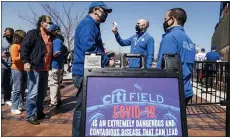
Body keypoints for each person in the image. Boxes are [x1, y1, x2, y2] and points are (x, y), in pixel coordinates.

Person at [72, 2, 114, 136]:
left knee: (85, 108)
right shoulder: (88, 24)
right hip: (84, 72)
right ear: (95, 10)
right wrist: (107, 61)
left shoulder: (92, 25)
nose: (105, 14)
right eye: (104, 11)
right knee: (82, 109)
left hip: (87, 71)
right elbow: (88, 48)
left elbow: (91, 46)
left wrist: (103, 51)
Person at [156, 8, 196, 106]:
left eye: (165, 19)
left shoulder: (170, 37)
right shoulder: (189, 40)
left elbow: (167, 68)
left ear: (172, 19)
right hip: (186, 89)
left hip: (172, 91)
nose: (164, 22)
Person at [20, 15, 53, 125]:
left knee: (42, 92)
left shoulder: (49, 35)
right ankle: (31, 115)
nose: (50, 25)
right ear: (42, 23)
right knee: (33, 92)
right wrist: (26, 61)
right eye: (48, 22)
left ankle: (39, 111)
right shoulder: (33, 33)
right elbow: (24, 47)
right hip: (35, 66)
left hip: (45, 68)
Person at [10, 30, 27, 115]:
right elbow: (14, 59)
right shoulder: (14, 46)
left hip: (23, 69)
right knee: (17, 89)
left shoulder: (22, 45)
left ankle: (20, 105)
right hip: (16, 69)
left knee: (23, 88)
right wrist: (23, 56)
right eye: (23, 36)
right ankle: (14, 107)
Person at [49, 24, 64, 107]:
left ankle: (53, 101)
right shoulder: (60, 40)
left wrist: (49, 55)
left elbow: (57, 52)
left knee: (53, 84)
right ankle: (58, 100)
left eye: (51, 31)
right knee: (57, 83)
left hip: (55, 65)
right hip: (59, 65)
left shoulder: (57, 40)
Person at [1, 28, 14, 106]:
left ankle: (7, 98)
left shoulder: (14, 41)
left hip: (12, 65)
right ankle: (2, 98)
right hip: (3, 65)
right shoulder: (1, 41)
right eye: (7, 35)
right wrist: (2, 55)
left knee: (10, 83)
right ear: (5, 34)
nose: (9, 36)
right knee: (2, 82)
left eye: (11, 35)